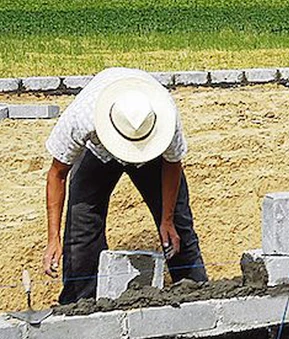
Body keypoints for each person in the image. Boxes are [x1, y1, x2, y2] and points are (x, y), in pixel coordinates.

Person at [42, 67, 206, 303]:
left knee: (178, 230)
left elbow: (172, 164)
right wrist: (53, 239)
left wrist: (167, 219)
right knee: (82, 227)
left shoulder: (166, 119)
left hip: (152, 155)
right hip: (97, 153)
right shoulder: (82, 119)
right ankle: (79, 302)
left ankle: (196, 294)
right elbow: (57, 174)